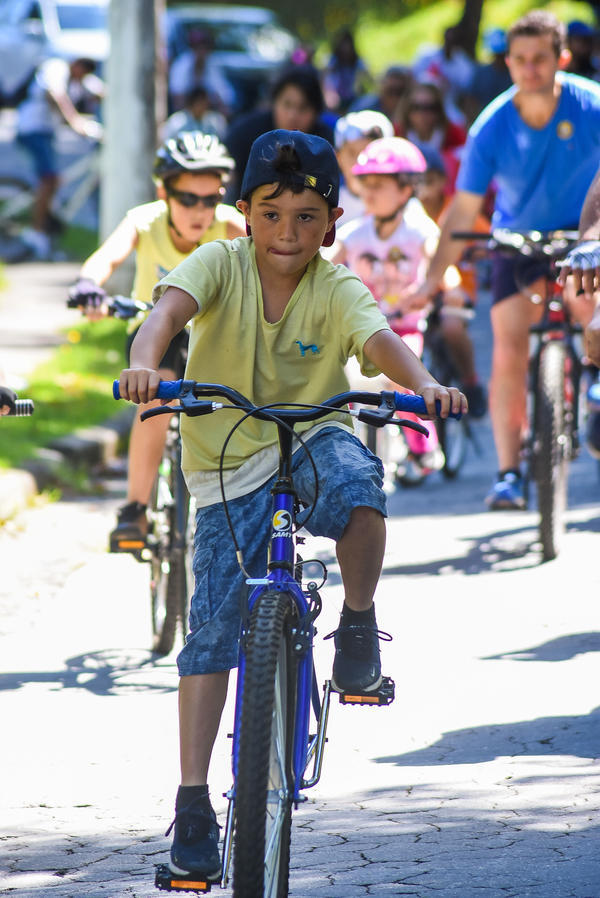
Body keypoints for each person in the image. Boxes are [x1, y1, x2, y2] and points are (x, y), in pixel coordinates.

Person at [117, 129, 467, 878]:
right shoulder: (218, 262)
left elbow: (379, 343)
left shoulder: (335, 286)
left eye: (307, 217)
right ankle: (190, 803)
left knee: (361, 494)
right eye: (272, 214)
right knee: (209, 630)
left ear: (333, 224)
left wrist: (423, 384)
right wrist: (145, 366)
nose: (287, 233)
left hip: (314, 440)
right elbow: (164, 317)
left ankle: (360, 625)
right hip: (223, 464)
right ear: (244, 214)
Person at [411, 9, 600, 510]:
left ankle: (594, 391)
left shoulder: (593, 106)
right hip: (518, 242)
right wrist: (431, 279)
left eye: (541, 59)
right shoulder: (491, 125)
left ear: (562, 58)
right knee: (509, 347)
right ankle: (508, 472)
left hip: (587, 238)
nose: (530, 69)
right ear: (508, 62)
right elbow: (464, 209)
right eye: (520, 60)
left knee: (590, 316)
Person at [69, 132, 245, 549]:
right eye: (188, 198)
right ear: (164, 191)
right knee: (156, 393)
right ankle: (135, 508)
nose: (200, 211)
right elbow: (106, 257)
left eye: (210, 197)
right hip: (156, 333)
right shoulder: (143, 220)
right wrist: (88, 285)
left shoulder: (230, 223)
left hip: (214, 334)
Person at [327, 136, 462, 482]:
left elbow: (438, 259)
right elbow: (327, 260)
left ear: (406, 190)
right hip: (361, 330)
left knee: (404, 375)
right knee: (334, 378)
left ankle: (421, 444)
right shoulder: (355, 233)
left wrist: (450, 285)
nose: (368, 191)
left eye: (379, 185)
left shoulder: (417, 230)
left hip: (406, 326)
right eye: (364, 183)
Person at [417, 146, 488, 417]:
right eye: (418, 181)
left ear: (442, 182)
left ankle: (471, 382)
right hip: (415, 288)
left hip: (456, 290)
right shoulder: (407, 213)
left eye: (430, 180)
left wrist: (478, 250)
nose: (424, 188)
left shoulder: (455, 211)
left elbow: (486, 237)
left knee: (452, 327)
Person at [15, 56, 103, 260]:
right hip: (32, 129)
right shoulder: (56, 67)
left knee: (56, 181)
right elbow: (55, 94)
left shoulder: (80, 78)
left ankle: (47, 228)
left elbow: (101, 91)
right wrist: (74, 121)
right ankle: (36, 232)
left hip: (47, 131)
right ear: (77, 64)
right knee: (49, 178)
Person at [224, 65, 334, 202]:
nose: (293, 115)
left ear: (316, 112)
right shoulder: (244, 134)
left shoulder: (325, 144)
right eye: (287, 104)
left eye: (303, 107)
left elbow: (326, 186)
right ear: (274, 103)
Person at [396, 81, 467, 193]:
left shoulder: (453, 133)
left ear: (439, 110)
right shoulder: (398, 133)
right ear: (407, 110)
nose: (422, 114)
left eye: (430, 108)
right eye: (416, 107)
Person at [334, 109, 394, 223]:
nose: (360, 162)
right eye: (352, 153)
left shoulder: (402, 205)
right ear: (338, 157)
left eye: (369, 153)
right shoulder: (327, 205)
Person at [168, 27, 235, 116]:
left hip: (207, 114)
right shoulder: (181, 65)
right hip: (185, 112)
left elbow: (224, 95)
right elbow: (177, 98)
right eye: (198, 47)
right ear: (192, 48)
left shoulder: (213, 64)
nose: (201, 51)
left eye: (205, 48)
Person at [322, 29, 371, 114]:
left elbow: (368, 78)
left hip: (353, 98)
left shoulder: (357, 61)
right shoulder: (333, 60)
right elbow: (325, 76)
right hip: (336, 99)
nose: (345, 48)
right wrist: (328, 93)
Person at [161, 86, 227, 142]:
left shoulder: (216, 121)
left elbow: (222, 142)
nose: (202, 107)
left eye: (204, 103)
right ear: (191, 104)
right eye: (199, 103)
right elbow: (166, 141)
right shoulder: (176, 122)